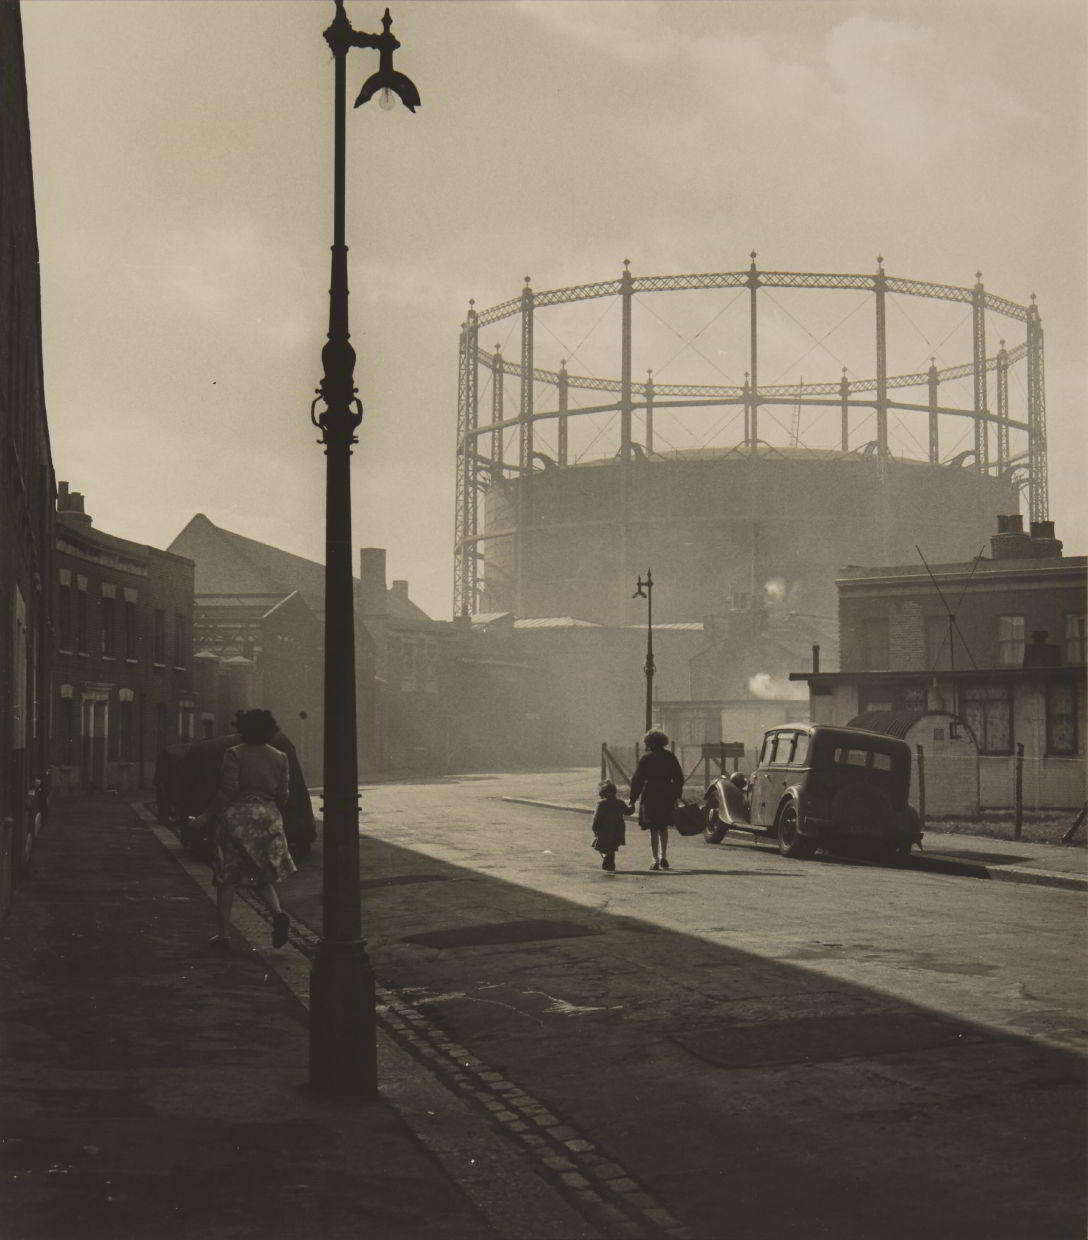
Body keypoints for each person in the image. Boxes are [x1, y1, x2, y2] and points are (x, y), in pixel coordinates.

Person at [208, 708, 296, 951]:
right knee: (262, 875)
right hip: (268, 818)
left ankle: (224, 936)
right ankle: (278, 914)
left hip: (238, 818)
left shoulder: (234, 754)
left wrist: (206, 816)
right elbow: (283, 794)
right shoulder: (280, 757)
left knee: (227, 879)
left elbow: (228, 789)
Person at [629, 728, 685, 871]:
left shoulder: (646, 758)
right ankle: (663, 856)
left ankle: (654, 859)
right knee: (664, 826)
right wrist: (676, 793)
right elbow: (679, 777)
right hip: (666, 793)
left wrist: (632, 798)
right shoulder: (670, 756)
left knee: (653, 827)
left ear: (649, 742)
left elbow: (637, 780)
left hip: (651, 794)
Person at [591, 780, 632, 872]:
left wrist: (595, 828)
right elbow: (628, 812)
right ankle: (610, 862)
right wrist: (632, 806)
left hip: (604, 830)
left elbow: (596, 818)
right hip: (618, 829)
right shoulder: (620, 802)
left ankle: (605, 856)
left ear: (602, 793)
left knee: (600, 846)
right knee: (612, 847)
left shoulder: (601, 804)